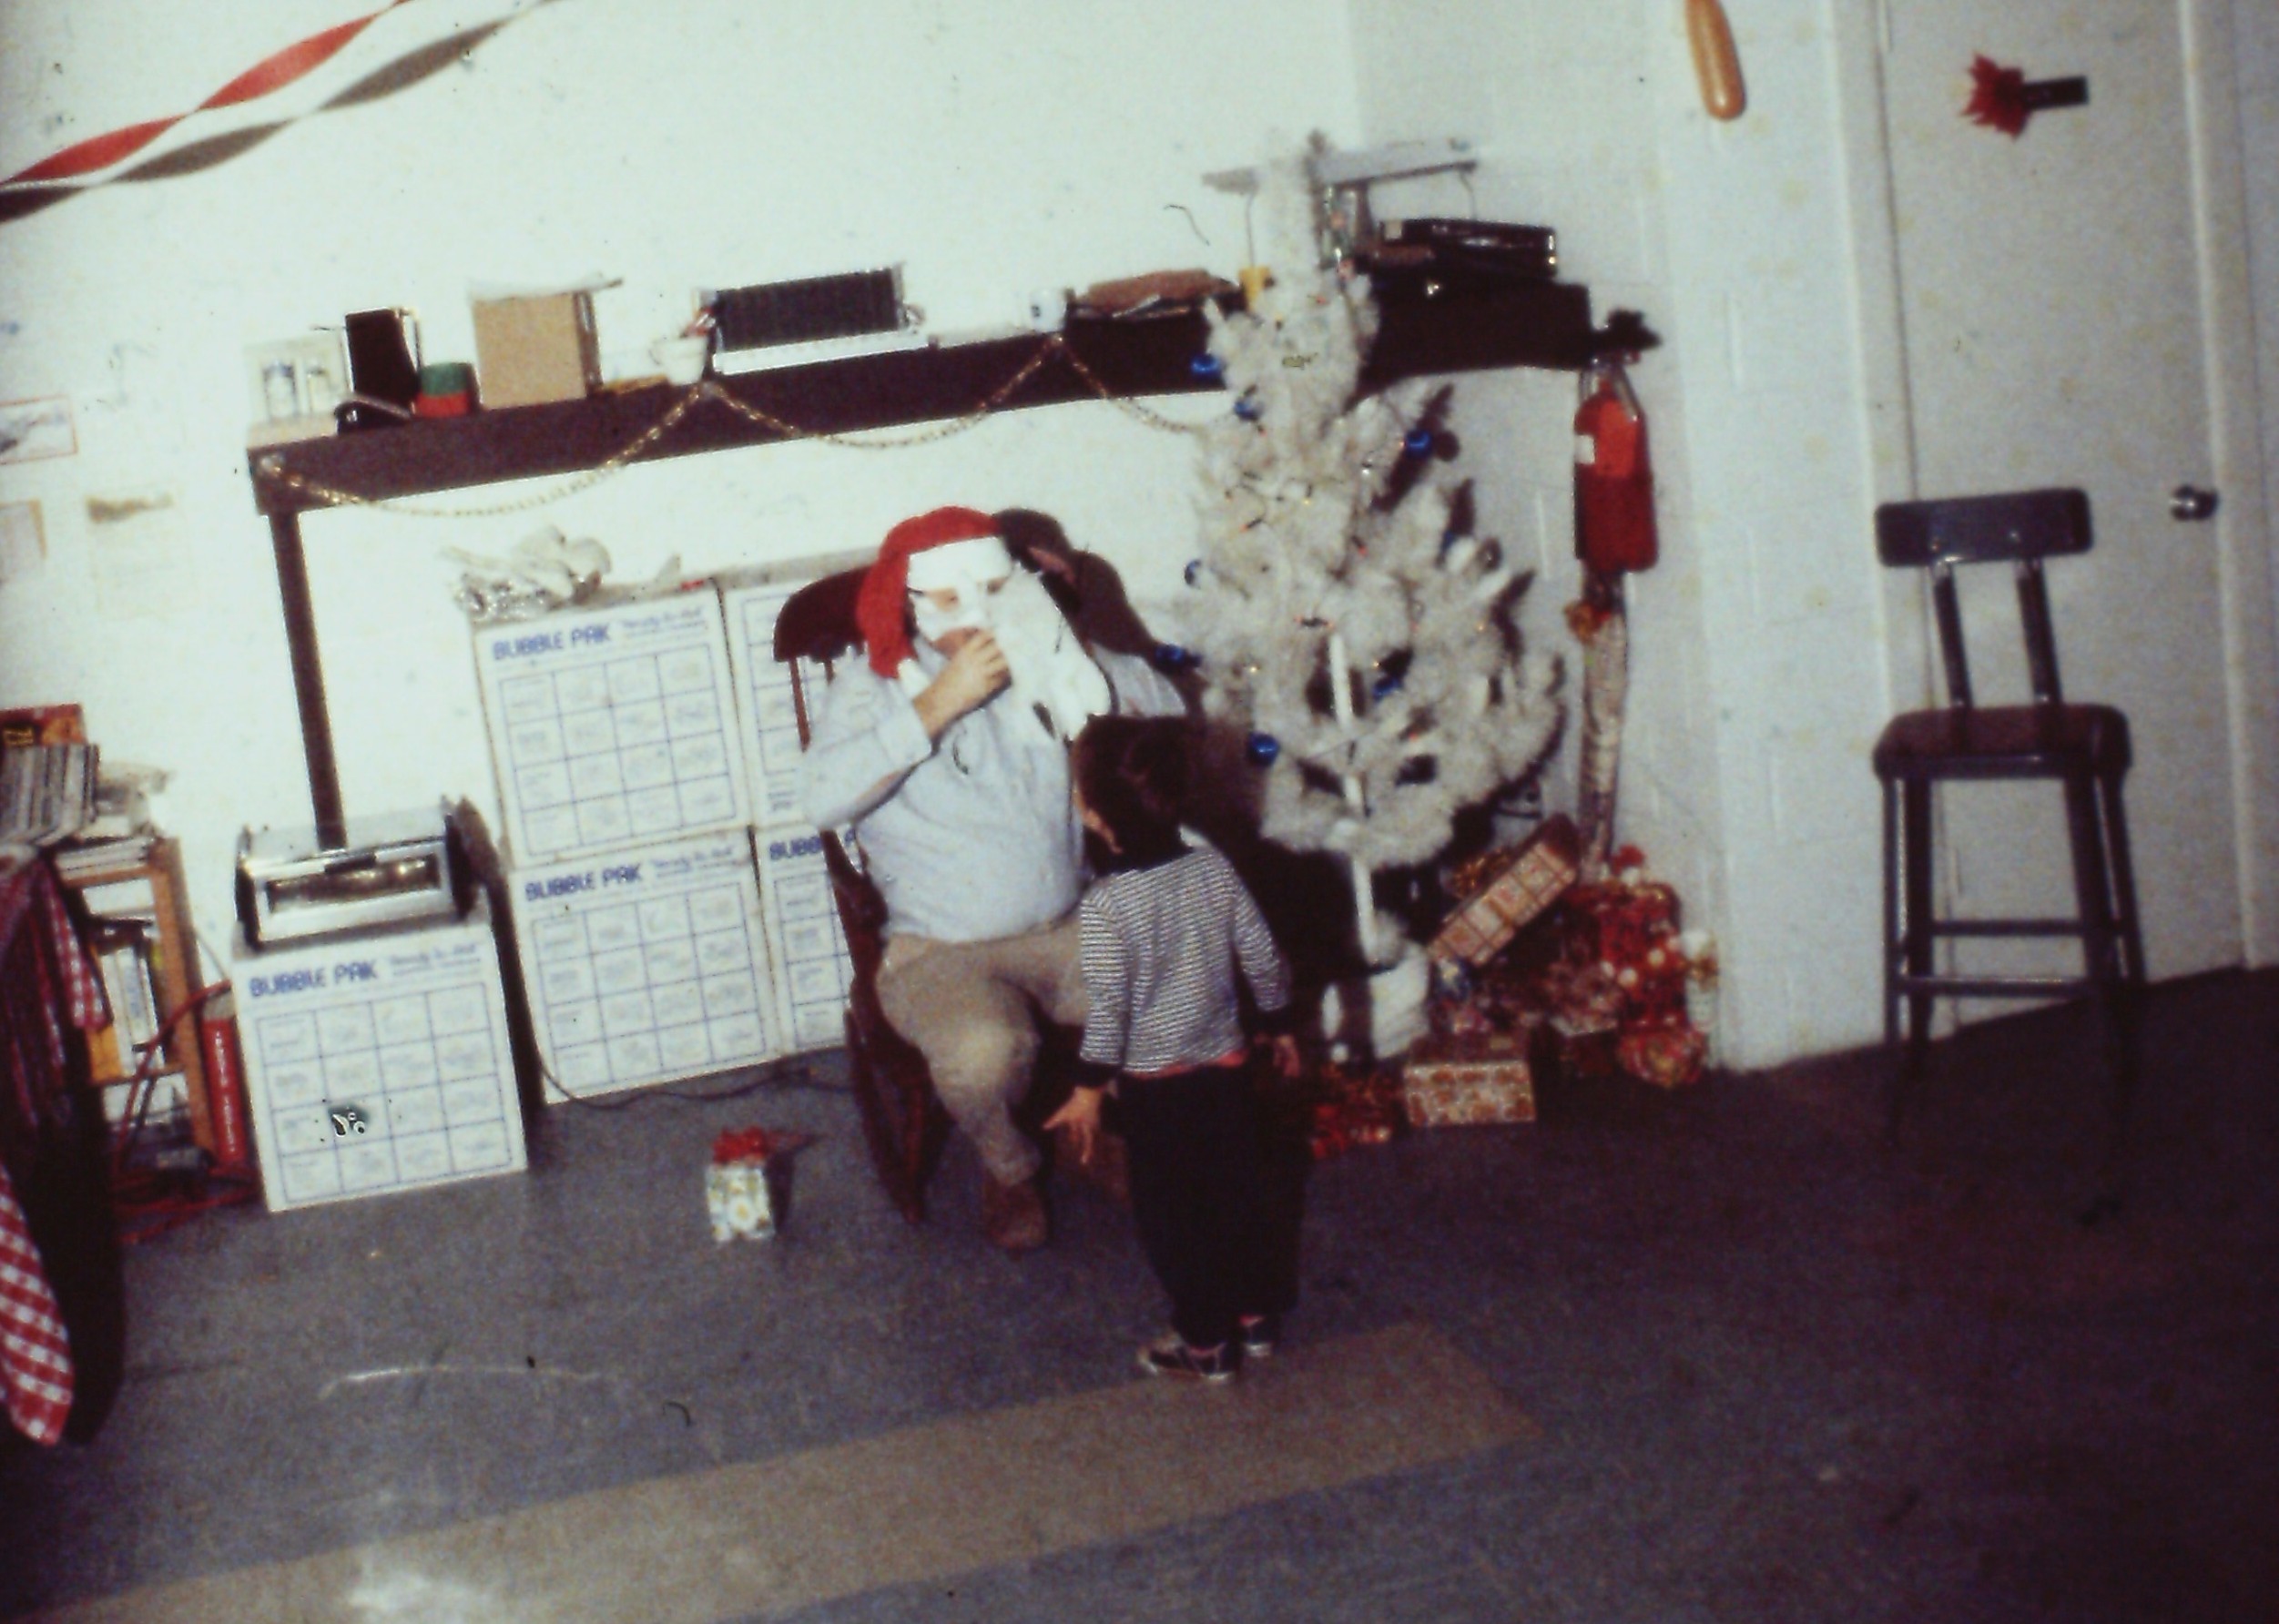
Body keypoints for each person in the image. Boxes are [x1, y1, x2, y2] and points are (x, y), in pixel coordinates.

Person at [799, 506, 1185, 1253]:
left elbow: (1166, 716)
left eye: (993, 589)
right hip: (940, 947)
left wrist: (1065, 638)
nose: (975, 614)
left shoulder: (1043, 655)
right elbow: (819, 800)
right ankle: (1008, 1166)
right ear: (908, 602)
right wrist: (934, 705)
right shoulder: (871, 685)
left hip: (1066, 922)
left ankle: (1090, 1129)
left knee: (1170, 986)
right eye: (949, 598)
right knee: (983, 1051)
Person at [1044, 715, 1304, 1383]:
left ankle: (1204, 1342)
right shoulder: (1212, 868)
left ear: (1092, 813)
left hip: (1158, 1091)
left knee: (1175, 1217)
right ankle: (1254, 1316)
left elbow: (1110, 1012)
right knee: (1238, 1195)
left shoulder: (1107, 906)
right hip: (1226, 1072)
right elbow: (1262, 955)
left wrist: (1086, 1090)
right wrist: (1279, 1022)